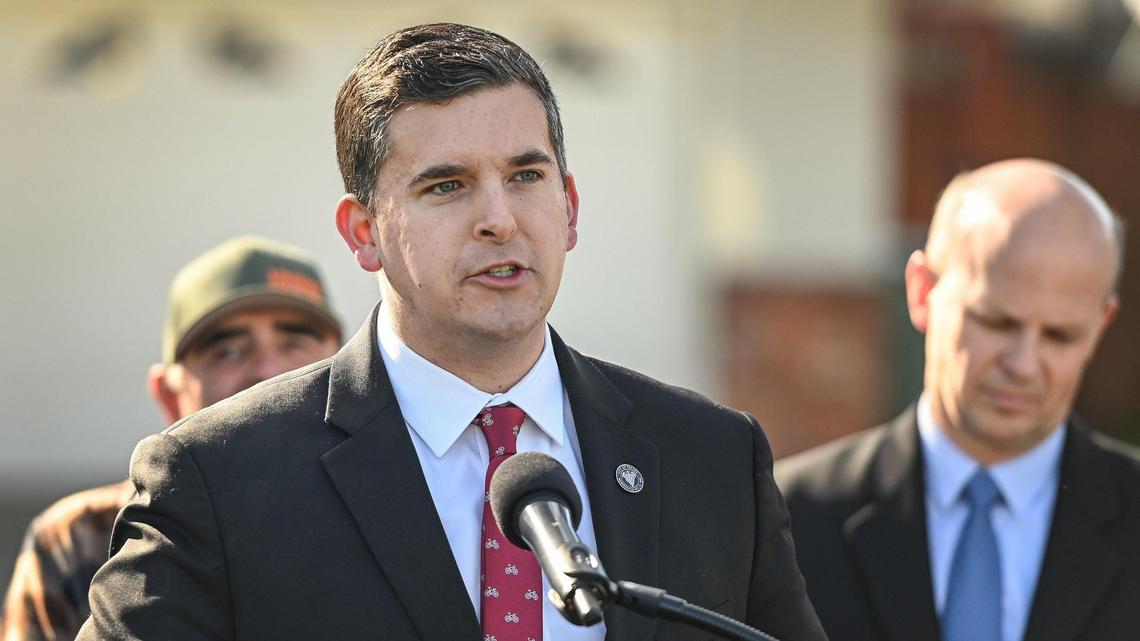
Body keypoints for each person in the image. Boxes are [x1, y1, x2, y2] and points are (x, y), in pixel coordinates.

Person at [74, 23, 827, 641]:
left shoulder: (714, 460)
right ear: (363, 231)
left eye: (526, 176)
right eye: (447, 185)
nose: (498, 217)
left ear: (569, 206)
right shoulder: (219, 478)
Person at [775, 158, 1140, 641]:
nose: (1024, 363)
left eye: (1060, 335)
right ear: (922, 291)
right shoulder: (788, 519)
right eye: (996, 322)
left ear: (1100, 328)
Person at [0, 236, 342, 641]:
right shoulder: (82, 538)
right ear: (168, 393)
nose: (268, 371)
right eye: (228, 350)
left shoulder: (406, 504)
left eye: (296, 343)